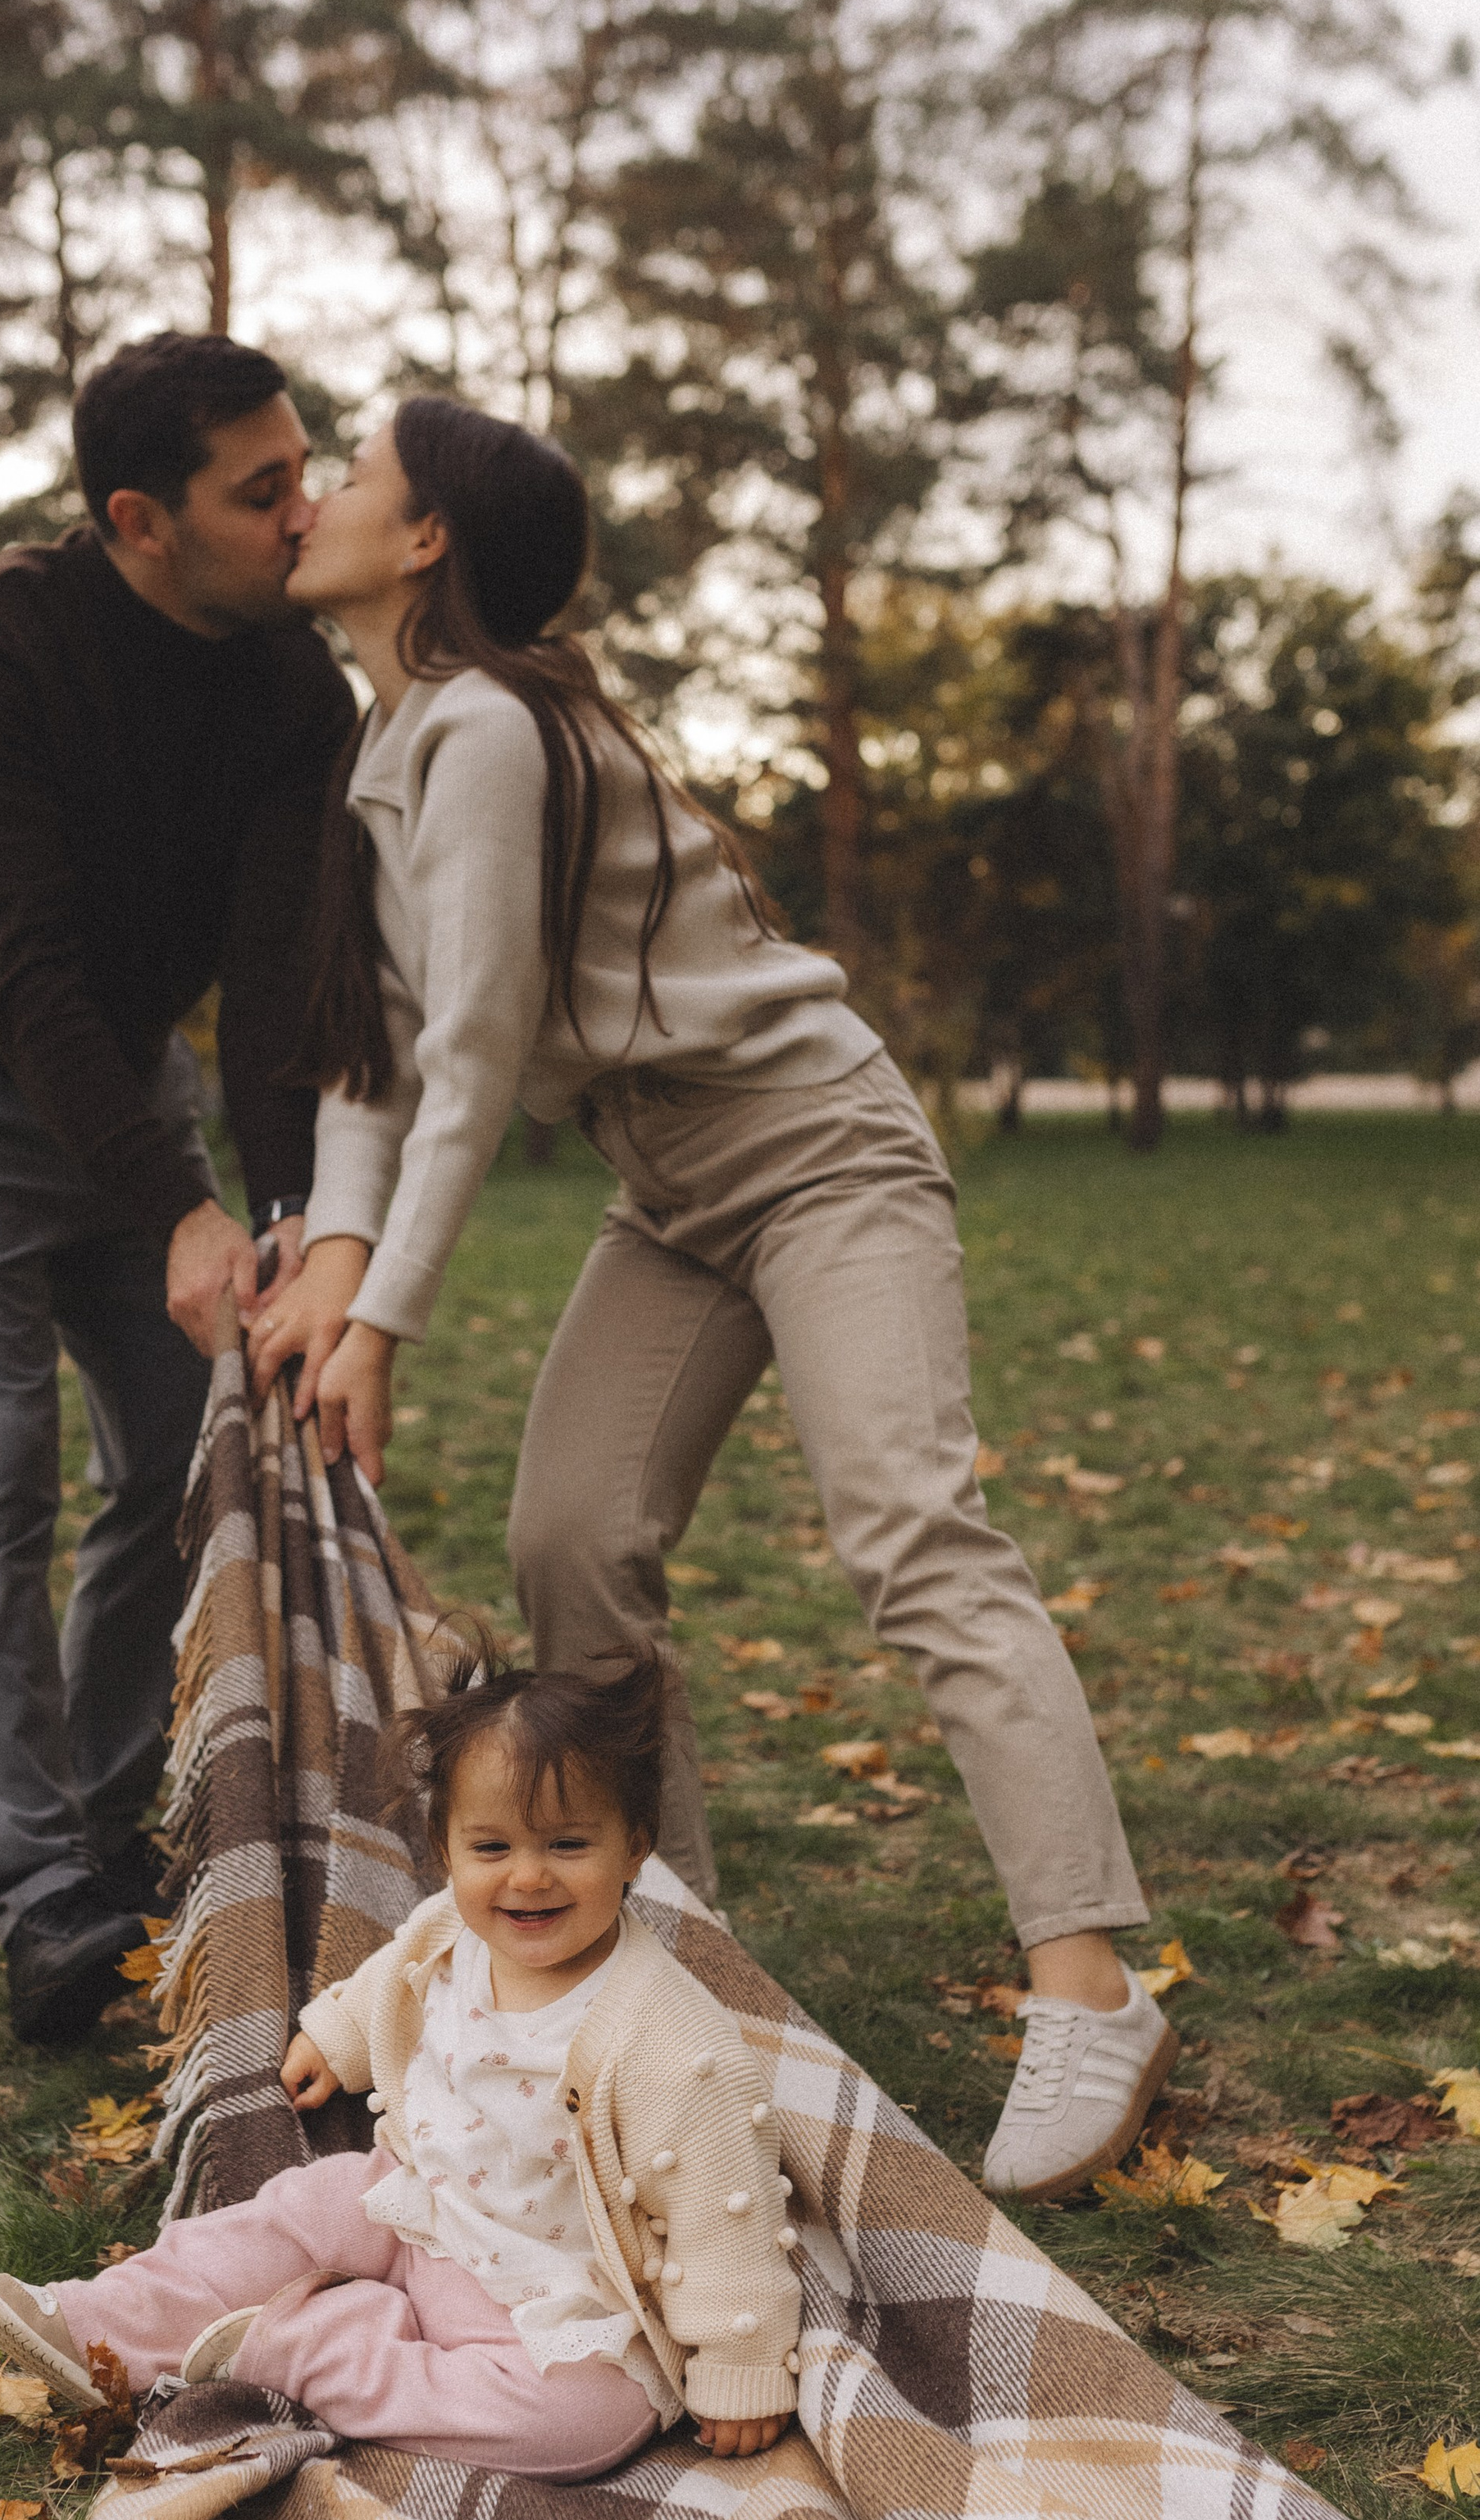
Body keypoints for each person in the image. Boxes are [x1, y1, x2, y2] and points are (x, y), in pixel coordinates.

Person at [243, 398, 1173, 2206]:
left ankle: (1087, 1981)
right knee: (569, 1537)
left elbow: (483, 1052)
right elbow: (376, 1064)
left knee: (910, 1531)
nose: (315, 499)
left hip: (815, 1145)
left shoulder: (497, 728)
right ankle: (666, 1936)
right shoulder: (398, 742)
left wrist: (386, 1327)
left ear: (425, 535)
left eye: (348, 472)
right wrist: (332, 1271)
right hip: (668, 1186)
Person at [0, 334, 355, 2048]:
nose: (304, 510)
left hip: (123, 1081)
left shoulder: (293, 693)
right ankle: (40, 1890)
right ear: (140, 517)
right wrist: (170, 1200)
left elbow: (273, 977)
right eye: (258, 489)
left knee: (168, 1454)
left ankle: (114, 1821)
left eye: (304, 469)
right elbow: (14, 961)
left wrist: (274, 1209)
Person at [0, 1649, 803, 2476]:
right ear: (445, 1848)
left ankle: (308, 2348)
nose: (527, 1876)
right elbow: (391, 1981)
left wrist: (742, 2368)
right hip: (417, 2209)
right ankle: (93, 2323)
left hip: (550, 2294)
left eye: (569, 1843)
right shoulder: (450, 1929)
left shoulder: (670, 2040)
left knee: (588, 2422)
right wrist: (340, 2036)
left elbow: (724, 2211)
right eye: (491, 1848)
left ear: (635, 1848)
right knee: (291, 2213)